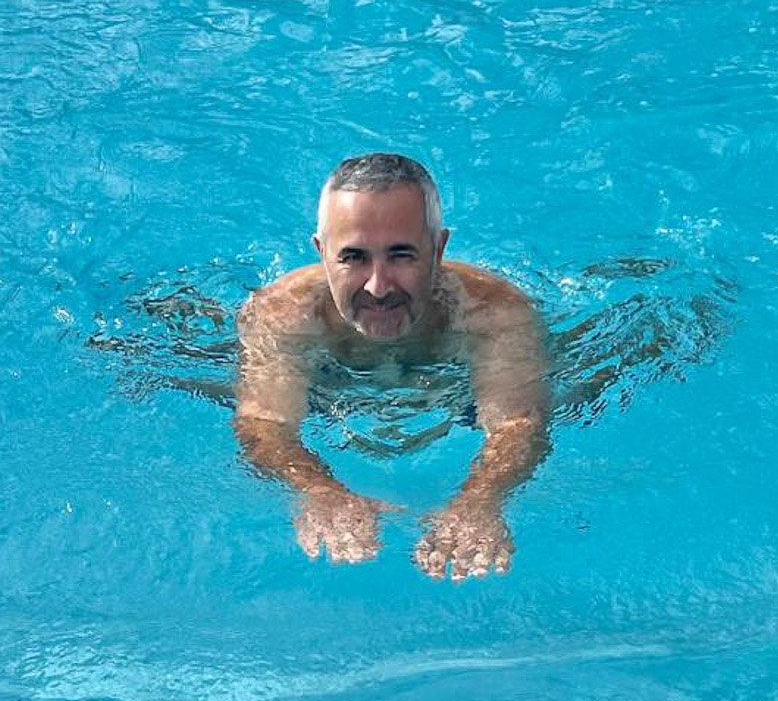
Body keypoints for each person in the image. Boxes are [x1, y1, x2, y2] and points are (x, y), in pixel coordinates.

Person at [234, 153, 551, 581]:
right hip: (327, 389)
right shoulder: (283, 316)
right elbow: (264, 424)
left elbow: (517, 424)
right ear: (321, 252)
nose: (377, 287)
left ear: (438, 249)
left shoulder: (492, 312)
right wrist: (319, 490)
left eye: (401, 255)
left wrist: (480, 500)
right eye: (353, 258)